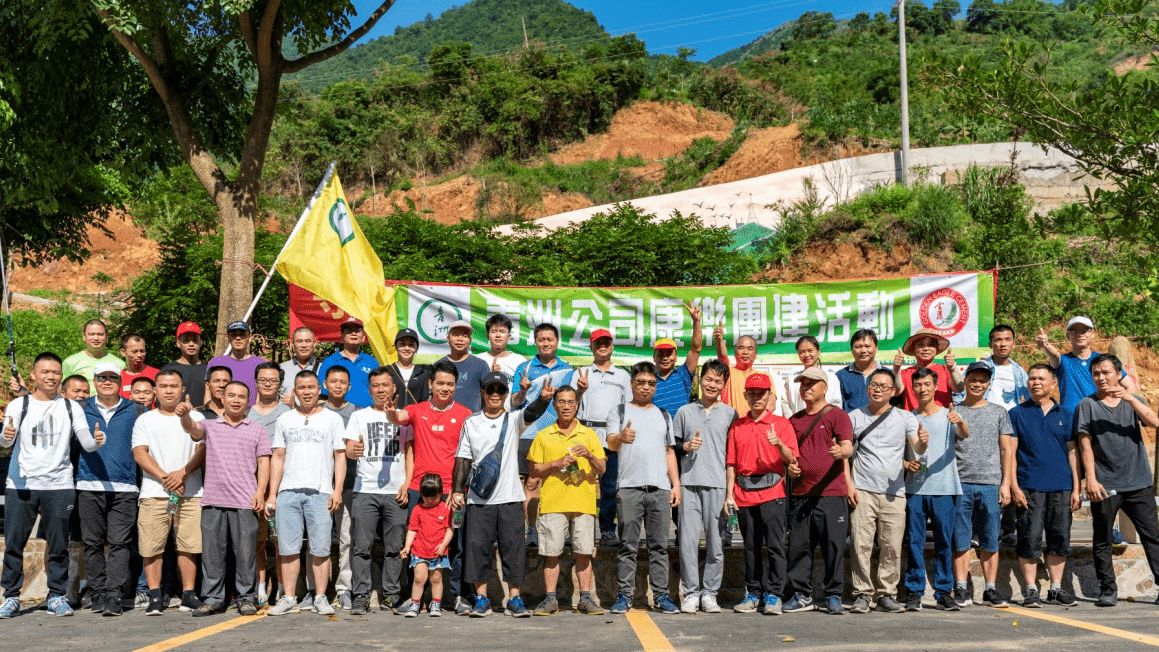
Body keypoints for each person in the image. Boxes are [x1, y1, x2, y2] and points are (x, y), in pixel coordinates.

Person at [1, 353, 105, 619]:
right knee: (14, 544)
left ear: (61, 376)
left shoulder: (71, 407)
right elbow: (5, 441)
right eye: (45, 372)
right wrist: (5, 436)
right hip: (21, 485)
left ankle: (57, 596)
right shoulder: (19, 405)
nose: (51, 376)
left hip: (59, 485)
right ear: (33, 375)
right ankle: (11, 596)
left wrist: (97, 440)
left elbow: (87, 443)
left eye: (56, 372)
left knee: (58, 546)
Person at [450, 372, 553, 618]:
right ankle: (482, 600)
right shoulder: (471, 422)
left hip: (510, 498)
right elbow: (463, 458)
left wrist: (543, 399)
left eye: (500, 390)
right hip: (479, 500)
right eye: (490, 390)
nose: (495, 394)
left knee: (513, 549)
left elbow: (532, 413)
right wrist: (457, 490)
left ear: (506, 394)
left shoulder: (513, 418)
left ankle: (514, 600)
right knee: (477, 549)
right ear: (483, 393)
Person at [387, 360, 473, 615]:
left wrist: (458, 489)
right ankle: (417, 599)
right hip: (419, 490)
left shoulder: (465, 414)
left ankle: (457, 596)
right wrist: (390, 412)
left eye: (450, 384)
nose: (445, 388)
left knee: (456, 544)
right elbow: (398, 417)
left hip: (453, 492)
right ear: (430, 384)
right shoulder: (417, 409)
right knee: (417, 544)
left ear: (456, 386)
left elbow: (467, 454)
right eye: (440, 383)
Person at [179, 381, 271, 617]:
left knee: (246, 554)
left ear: (248, 401)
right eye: (231, 395)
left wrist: (260, 492)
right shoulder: (209, 426)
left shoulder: (258, 430)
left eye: (241, 396)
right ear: (223, 398)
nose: (236, 400)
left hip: (245, 501)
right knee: (212, 555)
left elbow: (264, 461)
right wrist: (185, 416)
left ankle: (246, 598)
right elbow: (193, 430)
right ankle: (213, 599)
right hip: (213, 500)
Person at [1074, 354, 1159, 608]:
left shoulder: (1133, 401)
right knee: (1102, 538)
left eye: (1106, 372)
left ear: (1119, 374)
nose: (1100, 377)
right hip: (1105, 484)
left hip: (1138, 482)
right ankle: (1108, 590)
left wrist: (1130, 397)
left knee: (1152, 537)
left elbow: (1154, 422)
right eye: (1096, 373)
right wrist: (1090, 479)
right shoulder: (1087, 405)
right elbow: (1085, 445)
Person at [265, 370, 346, 617]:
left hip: (320, 492)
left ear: (319, 389)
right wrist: (272, 494)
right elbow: (278, 456)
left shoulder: (332, 419)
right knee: (288, 548)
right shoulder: (285, 419)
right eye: (302, 387)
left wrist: (337, 489)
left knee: (320, 548)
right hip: (288, 491)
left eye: (311, 387)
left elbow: (340, 456)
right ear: (294, 391)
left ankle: (320, 597)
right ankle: (289, 598)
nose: (307, 392)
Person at [606, 361, 681, 615]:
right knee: (628, 545)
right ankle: (625, 596)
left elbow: (669, 451)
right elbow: (611, 444)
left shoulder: (664, 415)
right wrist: (620, 437)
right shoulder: (618, 411)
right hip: (629, 488)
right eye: (641, 382)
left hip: (660, 488)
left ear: (655, 386)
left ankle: (661, 596)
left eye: (651, 383)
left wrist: (676, 485)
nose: (646, 387)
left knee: (660, 546)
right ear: (632, 384)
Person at [130, 368, 206, 616]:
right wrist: (167, 478)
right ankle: (154, 595)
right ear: (155, 390)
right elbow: (140, 453)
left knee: (189, 545)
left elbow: (202, 450)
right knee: (152, 546)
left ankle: (188, 594)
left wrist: (182, 473)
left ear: (182, 389)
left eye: (174, 386)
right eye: (163, 386)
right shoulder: (145, 420)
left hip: (191, 492)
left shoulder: (196, 417)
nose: (169, 391)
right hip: (154, 491)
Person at [847, 369, 922, 615]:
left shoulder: (905, 417)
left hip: (894, 492)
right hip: (862, 490)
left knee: (891, 546)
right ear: (867, 388)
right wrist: (849, 485)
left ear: (893, 391)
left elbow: (918, 446)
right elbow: (845, 453)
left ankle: (887, 594)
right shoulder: (854, 416)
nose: (878, 389)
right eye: (874, 385)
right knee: (860, 544)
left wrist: (923, 441)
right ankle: (862, 593)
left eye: (884, 386)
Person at [526, 384, 606, 616]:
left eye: (571, 402)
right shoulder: (544, 435)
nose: (566, 406)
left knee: (584, 552)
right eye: (561, 402)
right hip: (553, 502)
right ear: (554, 405)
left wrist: (589, 454)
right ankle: (550, 599)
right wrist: (556, 463)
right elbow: (533, 471)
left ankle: (585, 599)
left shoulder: (589, 435)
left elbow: (602, 468)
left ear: (577, 405)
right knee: (551, 553)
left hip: (583, 503)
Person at [1004, 364, 1079, 609]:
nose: (1036, 382)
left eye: (1041, 378)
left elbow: (1073, 453)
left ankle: (1055, 589)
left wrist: (1076, 488)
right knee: (1029, 538)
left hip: (1062, 486)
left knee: (1060, 538)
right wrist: (1014, 486)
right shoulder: (1017, 413)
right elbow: (1011, 453)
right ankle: (1030, 590)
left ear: (1053, 383)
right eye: (1032, 378)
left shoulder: (1066, 413)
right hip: (1029, 486)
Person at [783, 367, 854, 615]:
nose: (806, 388)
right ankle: (802, 595)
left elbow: (848, 447)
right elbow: (790, 456)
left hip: (831, 493)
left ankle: (833, 595)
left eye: (812, 383)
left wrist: (841, 452)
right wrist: (791, 467)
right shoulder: (794, 420)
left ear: (825, 387)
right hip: (801, 494)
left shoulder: (837, 415)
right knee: (799, 547)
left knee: (833, 547)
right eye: (803, 384)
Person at [727, 372, 799, 616]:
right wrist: (729, 495)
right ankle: (753, 592)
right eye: (752, 393)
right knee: (750, 547)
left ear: (770, 395)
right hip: (744, 493)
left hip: (773, 492)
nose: (757, 397)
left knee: (775, 546)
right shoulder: (737, 425)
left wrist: (779, 443)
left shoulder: (781, 424)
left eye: (761, 393)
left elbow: (791, 460)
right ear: (746, 395)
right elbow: (731, 463)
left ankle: (775, 594)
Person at [77, 361, 143, 617]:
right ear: (94, 381)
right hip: (88, 484)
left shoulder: (136, 409)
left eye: (112, 377)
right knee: (92, 544)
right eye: (102, 377)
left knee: (119, 544)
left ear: (120, 382)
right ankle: (98, 594)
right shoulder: (80, 408)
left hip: (125, 487)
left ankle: (114, 595)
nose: (107, 382)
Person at [343, 368, 410, 615]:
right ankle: (360, 595)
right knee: (361, 547)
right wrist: (353, 451)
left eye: (385, 385)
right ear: (369, 389)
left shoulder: (404, 417)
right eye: (376, 386)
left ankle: (391, 595)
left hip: (396, 491)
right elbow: (350, 449)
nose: (381, 390)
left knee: (395, 547)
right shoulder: (359, 416)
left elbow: (410, 452)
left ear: (394, 388)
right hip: (365, 491)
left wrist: (407, 483)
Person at [904, 368, 969, 612]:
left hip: (945, 488)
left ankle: (943, 591)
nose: (922, 389)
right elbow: (899, 451)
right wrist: (906, 464)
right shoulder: (908, 418)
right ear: (912, 388)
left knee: (944, 542)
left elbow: (964, 434)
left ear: (935, 386)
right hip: (914, 489)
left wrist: (959, 421)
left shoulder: (948, 414)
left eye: (927, 384)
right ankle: (914, 590)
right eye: (917, 385)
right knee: (915, 542)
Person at [674, 359, 736, 614]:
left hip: (717, 484)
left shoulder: (730, 414)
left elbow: (732, 456)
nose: (712, 384)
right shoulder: (684, 411)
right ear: (700, 380)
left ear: (724, 385)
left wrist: (730, 492)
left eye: (718, 381)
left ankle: (710, 593)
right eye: (708, 379)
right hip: (689, 483)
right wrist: (686, 446)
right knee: (687, 542)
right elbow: (673, 446)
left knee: (716, 542)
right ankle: (691, 593)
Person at [951, 362, 1014, 607]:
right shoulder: (954, 411)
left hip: (990, 484)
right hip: (960, 483)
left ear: (989, 384)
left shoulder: (999, 412)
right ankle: (961, 588)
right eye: (973, 379)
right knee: (961, 539)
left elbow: (1006, 450)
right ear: (965, 381)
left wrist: (1005, 484)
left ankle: (990, 589)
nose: (978, 384)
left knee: (990, 539)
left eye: (983, 380)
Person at [511, 323, 575, 548]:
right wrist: (523, 390)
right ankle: (531, 530)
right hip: (529, 433)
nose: (546, 343)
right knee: (531, 483)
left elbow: (574, 402)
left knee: (562, 480)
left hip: (559, 433)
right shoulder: (525, 367)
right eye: (541, 339)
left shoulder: (568, 370)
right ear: (535, 342)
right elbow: (515, 402)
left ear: (557, 342)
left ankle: (563, 531)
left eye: (550, 339)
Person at [575, 328, 631, 546]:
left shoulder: (623, 376)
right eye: (598, 343)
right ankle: (580, 530)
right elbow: (569, 404)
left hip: (612, 436)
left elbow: (629, 408)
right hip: (585, 433)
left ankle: (607, 530)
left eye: (606, 342)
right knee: (580, 483)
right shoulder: (580, 373)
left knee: (609, 487)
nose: (602, 346)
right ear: (591, 346)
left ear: (612, 346)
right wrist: (580, 390)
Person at [247, 361, 289, 605]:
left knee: (281, 541)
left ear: (280, 384)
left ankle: (283, 588)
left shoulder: (288, 413)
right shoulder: (247, 413)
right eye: (263, 380)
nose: (268, 384)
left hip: (282, 485)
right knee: (258, 541)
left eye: (273, 380)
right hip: (252, 485)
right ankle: (260, 587)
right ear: (256, 383)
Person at [322, 365, 359, 610]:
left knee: (346, 539)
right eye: (333, 381)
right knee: (319, 539)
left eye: (342, 382)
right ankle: (316, 590)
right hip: (319, 483)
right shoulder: (315, 410)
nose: (338, 385)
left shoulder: (357, 412)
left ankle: (344, 588)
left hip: (348, 484)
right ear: (324, 384)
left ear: (349, 386)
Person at [398, 474, 454, 617]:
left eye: (434, 497)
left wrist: (444, 544)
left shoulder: (445, 509)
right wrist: (407, 546)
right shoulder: (417, 509)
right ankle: (415, 603)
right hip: (420, 550)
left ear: (441, 493)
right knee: (419, 578)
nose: (430, 501)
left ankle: (436, 603)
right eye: (426, 497)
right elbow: (412, 529)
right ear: (421, 494)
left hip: (438, 551)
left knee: (436, 579)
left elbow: (450, 529)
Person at [1038, 316, 1100, 416]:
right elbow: (1054, 356)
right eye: (1074, 331)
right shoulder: (1063, 361)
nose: (1080, 334)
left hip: (1097, 417)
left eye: (1084, 330)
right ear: (1068, 336)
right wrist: (1045, 345)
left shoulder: (1102, 360)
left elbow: (1125, 384)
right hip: (1070, 419)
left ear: (1092, 333)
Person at [653, 302, 704, 417]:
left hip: (680, 428)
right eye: (660, 354)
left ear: (676, 357)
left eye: (669, 353)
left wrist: (696, 322)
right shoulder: (649, 380)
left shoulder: (683, 375)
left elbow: (696, 349)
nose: (665, 357)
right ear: (654, 357)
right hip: (655, 427)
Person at [893, 328, 964, 410]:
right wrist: (896, 369)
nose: (926, 349)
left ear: (937, 348)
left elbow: (959, 388)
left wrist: (953, 368)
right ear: (914, 348)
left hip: (943, 417)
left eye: (931, 345)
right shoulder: (905, 373)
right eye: (921, 345)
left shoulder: (946, 369)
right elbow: (896, 391)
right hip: (912, 417)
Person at [318, 318, 377, 410]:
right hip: (338, 414)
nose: (353, 333)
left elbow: (378, 390)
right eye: (349, 330)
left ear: (363, 337)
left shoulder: (371, 362)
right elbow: (322, 395)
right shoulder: (329, 362)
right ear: (341, 337)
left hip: (367, 414)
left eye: (357, 331)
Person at [207, 320, 267, 407]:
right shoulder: (216, 362)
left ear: (250, 338)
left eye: (242, 335)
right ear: (227, 338)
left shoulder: (260, 363)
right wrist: (207, 412)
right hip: (222, 412)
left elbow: (265, 392)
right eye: (234, 335)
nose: (238, 338)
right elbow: (208, 391)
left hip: (251, 412)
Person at [779, 336, 842, 418]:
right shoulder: (792, 379)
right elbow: (785, 403)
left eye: (810, 351)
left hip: (825, 423)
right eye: (802, 352)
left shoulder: (831, 378)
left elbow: (836, 403)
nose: (806, 355)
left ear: (818, 351)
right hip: (797, 424)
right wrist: (792, 423)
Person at [438, 319, 489, 413]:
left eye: (465, 335)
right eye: (455, 334)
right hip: (443, 419)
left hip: (472, 419)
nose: (460, 339)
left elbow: (489, 396)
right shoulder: (439, 365)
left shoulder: (481, 365)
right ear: (448, 338)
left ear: (470, 340)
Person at [62, 319, 125, 392]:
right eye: (91, 334)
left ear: (107, 337)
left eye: (100, 334)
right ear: (84, 337)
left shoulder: (119, 364)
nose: (96, 338)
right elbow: (62, 390)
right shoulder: (70, 362)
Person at [977, 326, 1029, 411]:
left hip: (1010, 418)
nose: (1003, 344)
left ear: (1013, 344)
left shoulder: (1019, 372)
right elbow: (961, 393)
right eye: (998, 340)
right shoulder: (979, 367)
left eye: (1007, 340)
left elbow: (1031, 397)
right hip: (984, 417)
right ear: (990, 345)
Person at [835, 329, 886, 412]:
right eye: (858, 347)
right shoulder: (841, 376)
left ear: (876, 348)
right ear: (852, 349)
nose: (863, 351)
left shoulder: (887, 374)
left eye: (867, 346)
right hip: (851, 420)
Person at [715, 323, 758, 416]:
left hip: (755, 424)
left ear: (755, 354)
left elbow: (771, 404)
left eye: (750, 349)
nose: (745, 352)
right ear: (735, 353)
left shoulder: (764, 377)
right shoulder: (727, 373)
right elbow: (722, 357)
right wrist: (719, 341)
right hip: (731, 423)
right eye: (741, 348)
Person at [160, 322, 207, 408]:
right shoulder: (168, 370)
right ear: (178, 343)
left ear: (200, 342)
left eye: (195, 340)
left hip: (203, 415)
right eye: (186, 340)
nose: (191, 344)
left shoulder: (208, 369)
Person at [476, 313, 527, 389]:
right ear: (487, 336)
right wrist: (491, 375)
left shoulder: (520, 361)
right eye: (494, 331)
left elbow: (525, 389)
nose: (498, 335)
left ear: (509, 337)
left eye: (502, 331)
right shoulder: (477, 360)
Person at [385, 328, 431, 409]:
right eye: (402, 344)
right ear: (396, 347)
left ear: (416, 348)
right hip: (392, 415)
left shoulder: (423, 373)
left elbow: (425, 401)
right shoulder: (386, 371)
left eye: (411, 345)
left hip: (416, 416)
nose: (406, 348)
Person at [280, 327, 319, 401]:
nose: (304, 345)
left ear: (314, 343)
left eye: (307, 341)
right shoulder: (281, 368)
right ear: (292, 344)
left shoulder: (324, 369)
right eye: (299, 341)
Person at [118, 334, 159, 401]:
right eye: (134, 351)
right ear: (123, 352)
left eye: (142, 351)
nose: (139, 355)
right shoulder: (119, 377)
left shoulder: (156, 375)